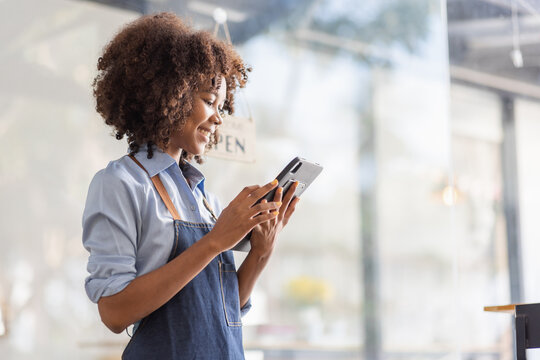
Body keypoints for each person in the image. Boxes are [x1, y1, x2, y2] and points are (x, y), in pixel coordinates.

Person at [82, 12, 299, 360]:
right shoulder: (120, 184)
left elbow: (223, 312)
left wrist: (261, 251)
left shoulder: (205, 199)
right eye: (210, 102)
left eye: (221, 106)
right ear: (171, 94)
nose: (219, 117)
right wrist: (215, 241)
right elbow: (114, 312)